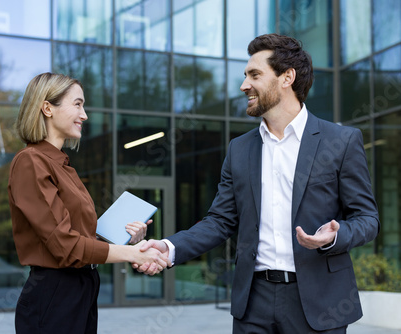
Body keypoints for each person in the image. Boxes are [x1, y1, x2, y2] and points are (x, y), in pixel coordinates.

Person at [136, 34, 380, 334]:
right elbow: (219, 221)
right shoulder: (239, 149)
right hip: (253, 303)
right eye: (245, 76)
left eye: (255, 75)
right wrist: (168, 247)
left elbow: (367, 219)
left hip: (319, 303)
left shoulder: (341, 141)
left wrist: (334, 236)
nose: (244, 86)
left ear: (286, 77)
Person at [8, 72, 167, 334]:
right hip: (55, 294)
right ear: (47, 107)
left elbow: (78, 238)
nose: (85, 115)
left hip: (82, 288)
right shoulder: (31, 161)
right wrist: (132, 254)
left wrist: (124, 239)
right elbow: (66, 247)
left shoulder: (63, 166)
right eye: (78, 104)